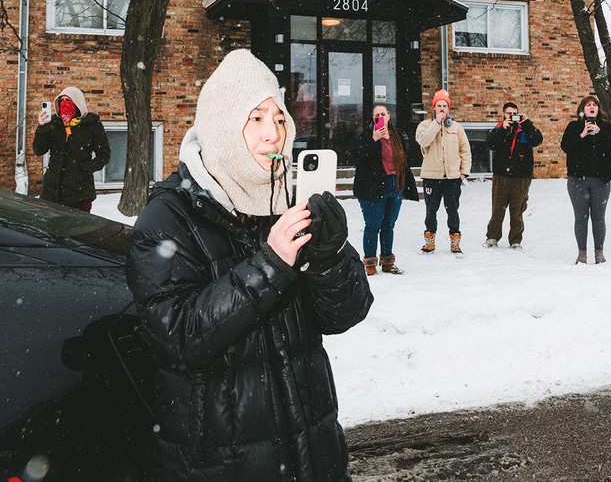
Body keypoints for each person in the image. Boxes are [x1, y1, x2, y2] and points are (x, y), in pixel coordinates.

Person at [126, 49, 373, 480]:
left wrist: (330, 258)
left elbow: (345, 314)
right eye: (255, 118)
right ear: (223, 126)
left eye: (279, 118)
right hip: (225, 463)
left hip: (314, 453)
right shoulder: (167, 218)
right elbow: (179, 337)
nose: (273, 134)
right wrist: (270, 266)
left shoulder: (285, 203)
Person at [352, 104, 420, 275]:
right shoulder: (367, 136)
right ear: (373, 118)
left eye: (383, 114)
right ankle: (370, 263)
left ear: (389, 116)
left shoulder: (398, 136)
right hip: (372, 186)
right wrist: (373, 140)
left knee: (389, 225)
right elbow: (359, 159)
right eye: (377, 115)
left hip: (395, 184)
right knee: (373, 225)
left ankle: (388, 261)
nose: (380, 117)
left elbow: (405, 159)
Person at [559, 95, 611, 265]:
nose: (591, 107)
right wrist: (582, 134)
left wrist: (600, 133)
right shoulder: (574, 127)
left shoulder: (606, 127)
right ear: (582, 110)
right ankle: (582, 254)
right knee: (581, 217)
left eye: (594, 105)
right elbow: (566, 147)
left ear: (598, 109)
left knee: (598, 217)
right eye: (588, 105)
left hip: (601, 180)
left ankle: (599, 253)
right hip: (577, 180)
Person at [33, 87, 111, 212]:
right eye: (62, 100)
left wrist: (84, 169)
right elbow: (39, 150)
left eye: (69, 100)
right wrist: (42, 128)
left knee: (77, 224)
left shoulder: (92, 124)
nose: (65, 103)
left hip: (79, 194)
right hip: (51, 192)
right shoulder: (54, 123)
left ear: (78, 102)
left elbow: (104, 155)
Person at [416, 88, 472, 254]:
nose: (441, 108)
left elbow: (465, 150)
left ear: (448, 108)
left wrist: (463, 172)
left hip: (452, 177)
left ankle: (455, 241)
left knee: (453, 210)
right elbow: (423, 141)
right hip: (431, 177)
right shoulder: (424, 125)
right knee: (430, 210)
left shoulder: (456, 128)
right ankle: (430, 241)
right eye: (439, 105)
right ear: (434, 107)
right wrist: (436, 124)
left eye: (444, 106)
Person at [484, 101, 543, 250]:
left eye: (514, 113)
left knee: (517, 210)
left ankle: (516, 240)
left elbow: (537, 140)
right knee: (497, 209)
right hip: (501, 175)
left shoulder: (525, 128)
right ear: (503, 114)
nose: (511, 116)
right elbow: (491, 144)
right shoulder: (499, 128)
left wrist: (526, 123)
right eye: (509, 113)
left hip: (521, 177)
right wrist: (503, 129)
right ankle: (492, 237)